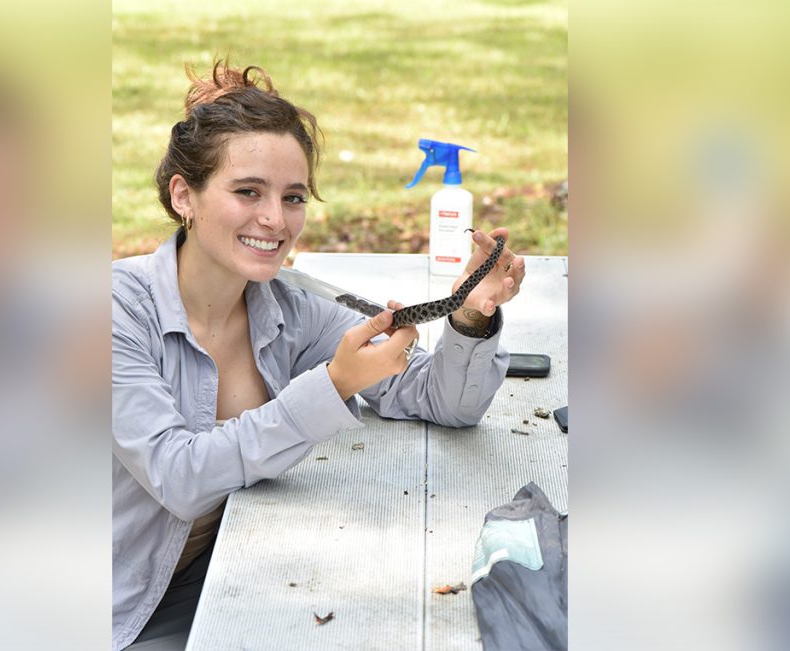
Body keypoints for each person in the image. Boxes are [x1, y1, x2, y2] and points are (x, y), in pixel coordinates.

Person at [112, 60, 524, 650]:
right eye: (247, 191)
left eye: (294, 196)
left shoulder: (290, 308)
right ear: (185, 195)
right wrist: (330, 387)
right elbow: (179, 477)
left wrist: (468, 316)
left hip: (222, 572)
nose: (275, 220)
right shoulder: (115, 313)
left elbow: (442, 401)